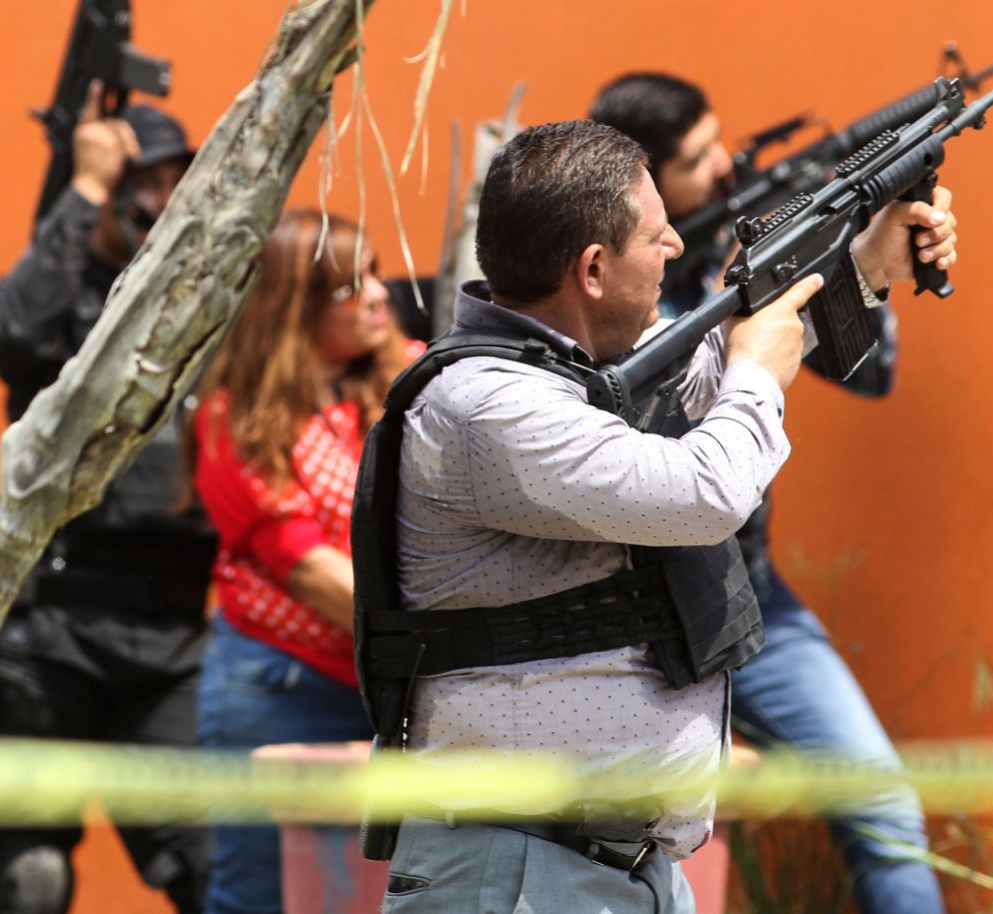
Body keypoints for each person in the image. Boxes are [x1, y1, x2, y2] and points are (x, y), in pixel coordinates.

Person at [357, 119, 957, 913]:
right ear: (594, 268)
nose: (677, 243)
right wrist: (758, 382)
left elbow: (712, 361)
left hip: (613, 870)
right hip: (520, 878)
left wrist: (865, 263)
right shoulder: (485, 406)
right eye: (654, 232)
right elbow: (700, 493)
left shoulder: (573, 377)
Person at [593, 72, 944, 914]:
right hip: (622, 611)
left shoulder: (728, 242)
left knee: (884, 806)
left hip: (747, 593)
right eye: (695, 157)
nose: (721, 166)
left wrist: (848, 260)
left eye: (720, 142)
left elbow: (869, 368)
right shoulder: (609, 292)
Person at [0, 86, 214, 914]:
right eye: (140, 182)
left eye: (175, 181)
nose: (158, 200)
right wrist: (79, 192)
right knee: (27, 880)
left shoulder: (204, 298)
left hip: (169, 635)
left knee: (211, 865)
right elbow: (8, 334)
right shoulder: (60, 290)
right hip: (52, 628)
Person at [189, 210, 419, 914]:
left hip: (392, 690)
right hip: (280, 691)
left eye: (377, 273)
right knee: (259, 897)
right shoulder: (237, 417)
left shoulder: (398, 382)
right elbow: (309, 571)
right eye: (353, 285)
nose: (380, 293)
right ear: (298, 307)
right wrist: (427, 636)